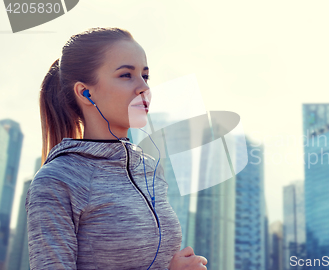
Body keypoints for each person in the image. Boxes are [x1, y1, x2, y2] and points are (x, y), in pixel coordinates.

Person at [26, 27, 208, 270]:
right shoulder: (57, 180)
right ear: (85, 92)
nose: (143, 87)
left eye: (145, 76)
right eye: (126, 75)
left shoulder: (150, 168)